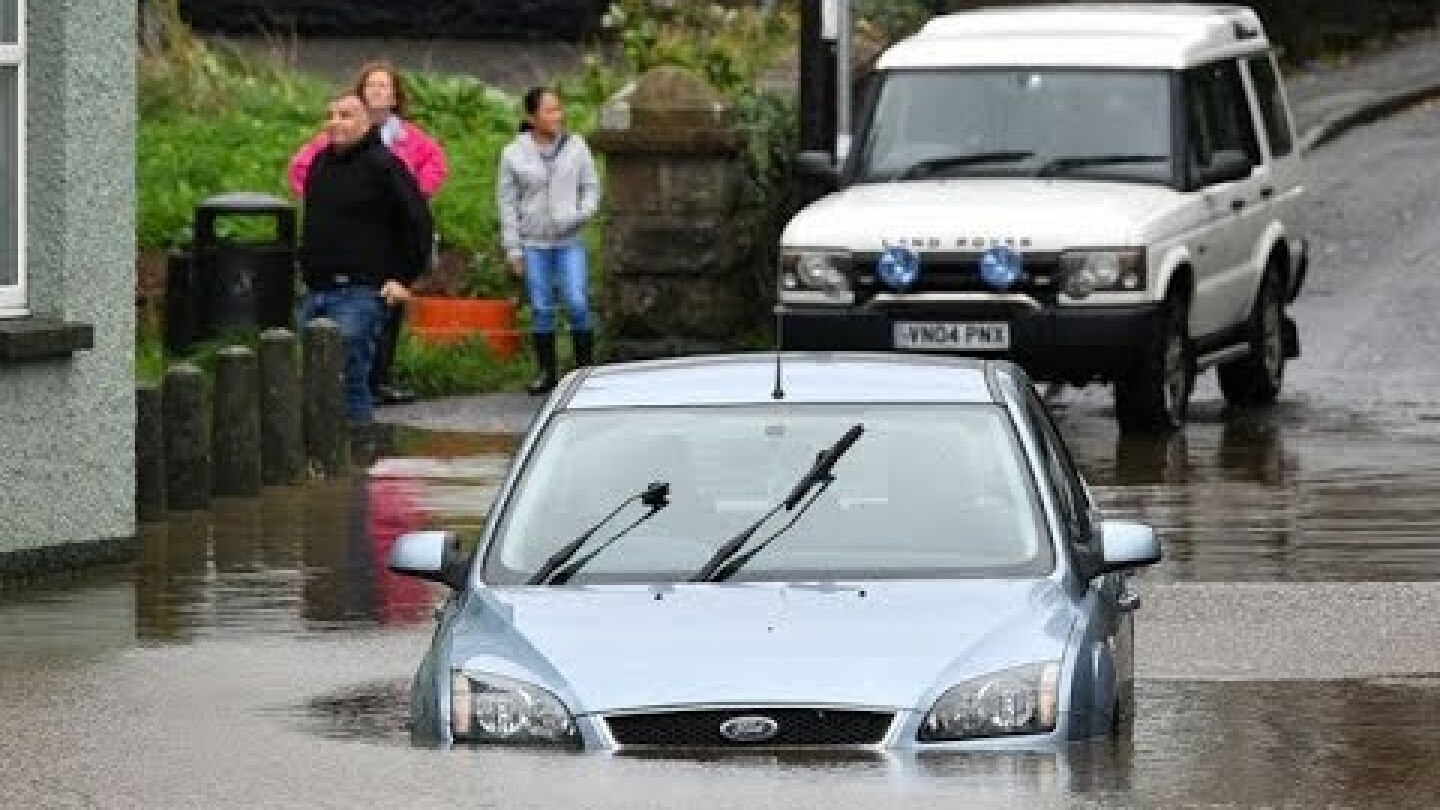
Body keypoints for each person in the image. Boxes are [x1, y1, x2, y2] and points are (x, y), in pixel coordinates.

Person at [289, 61, 449, 407]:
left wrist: (404, 279)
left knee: (350, 381)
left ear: (365, 122)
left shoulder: (386, 165)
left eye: (345, 116)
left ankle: (360, 452)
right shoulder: (320, 163)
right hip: (317, 289)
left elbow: (417, 221)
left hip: (361, 291)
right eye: (331, 116)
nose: (335, 124)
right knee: (310, 384)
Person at [497, 86, 601, 396]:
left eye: (559, 109)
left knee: (577, 301)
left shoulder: (576, 146)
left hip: (569, 238)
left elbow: (591, 187)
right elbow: (507, 202)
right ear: (532, 116)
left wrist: (581, 213)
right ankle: (547, 372)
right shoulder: (513, 153)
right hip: (533, 241)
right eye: (549, 110)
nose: (557, 116)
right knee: (542, 307)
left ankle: (584, 370)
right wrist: (513, 248)